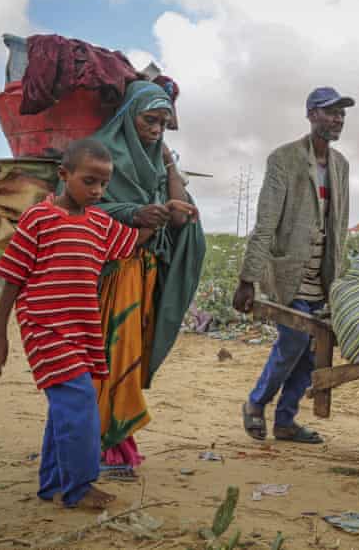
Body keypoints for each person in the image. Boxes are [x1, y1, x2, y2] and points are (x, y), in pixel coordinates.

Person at [0, 139, 196, 509]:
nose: (98, 191)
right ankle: (78, 487)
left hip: (82, 329)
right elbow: (13, 278)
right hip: (44, 327)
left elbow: (131, 242)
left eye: (103, 183)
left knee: (65, 406)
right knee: (80, 402)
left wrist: (161, 213)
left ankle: (53, 484)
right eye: (89, 181)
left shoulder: (99, 222)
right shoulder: (39, 218)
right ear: (64, 176)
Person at [88, 80, 207, 467]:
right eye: (149, 120)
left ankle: (118, 445)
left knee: (129, 358)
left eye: (163, 123)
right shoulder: (100, 154)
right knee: (109, 358)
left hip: (144, 274)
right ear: (128, 116)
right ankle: (103, 446)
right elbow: (78, 210)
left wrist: (170, 164)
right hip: (110, 274)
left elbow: (177, 215)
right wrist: (134, 214)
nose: (156, 129)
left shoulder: (157, 161)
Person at [234, 86, 354, 444]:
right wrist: (247, 279)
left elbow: (340, 223)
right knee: (295, 338)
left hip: (323, 275)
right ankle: (256, 403)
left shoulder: (341, 165)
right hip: (289, 273)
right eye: (330, 112)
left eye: (341, 114)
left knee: (313, 350)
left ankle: (285, 422)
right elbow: (266, 221)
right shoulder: (284, 159)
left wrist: (341, 278)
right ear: (311, 114)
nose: (337, 119)